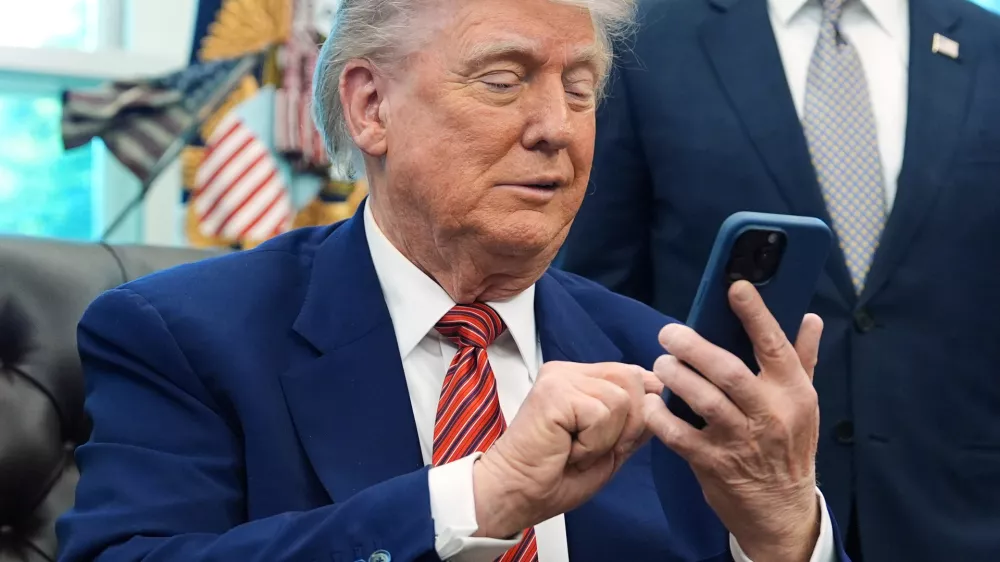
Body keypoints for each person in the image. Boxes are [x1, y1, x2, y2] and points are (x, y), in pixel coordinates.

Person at [56, 1, 850, 561]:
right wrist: (477, 501)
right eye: (504, 79)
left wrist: (781, 536)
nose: (556, 128)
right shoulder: (183, 335)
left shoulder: (662, 364)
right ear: (370, 107)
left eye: (580, 90)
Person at [557, 0, 1000, 559]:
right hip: (714, 512)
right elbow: (602, 289)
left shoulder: (989, 47)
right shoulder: (647, 40)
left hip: (963, 511)